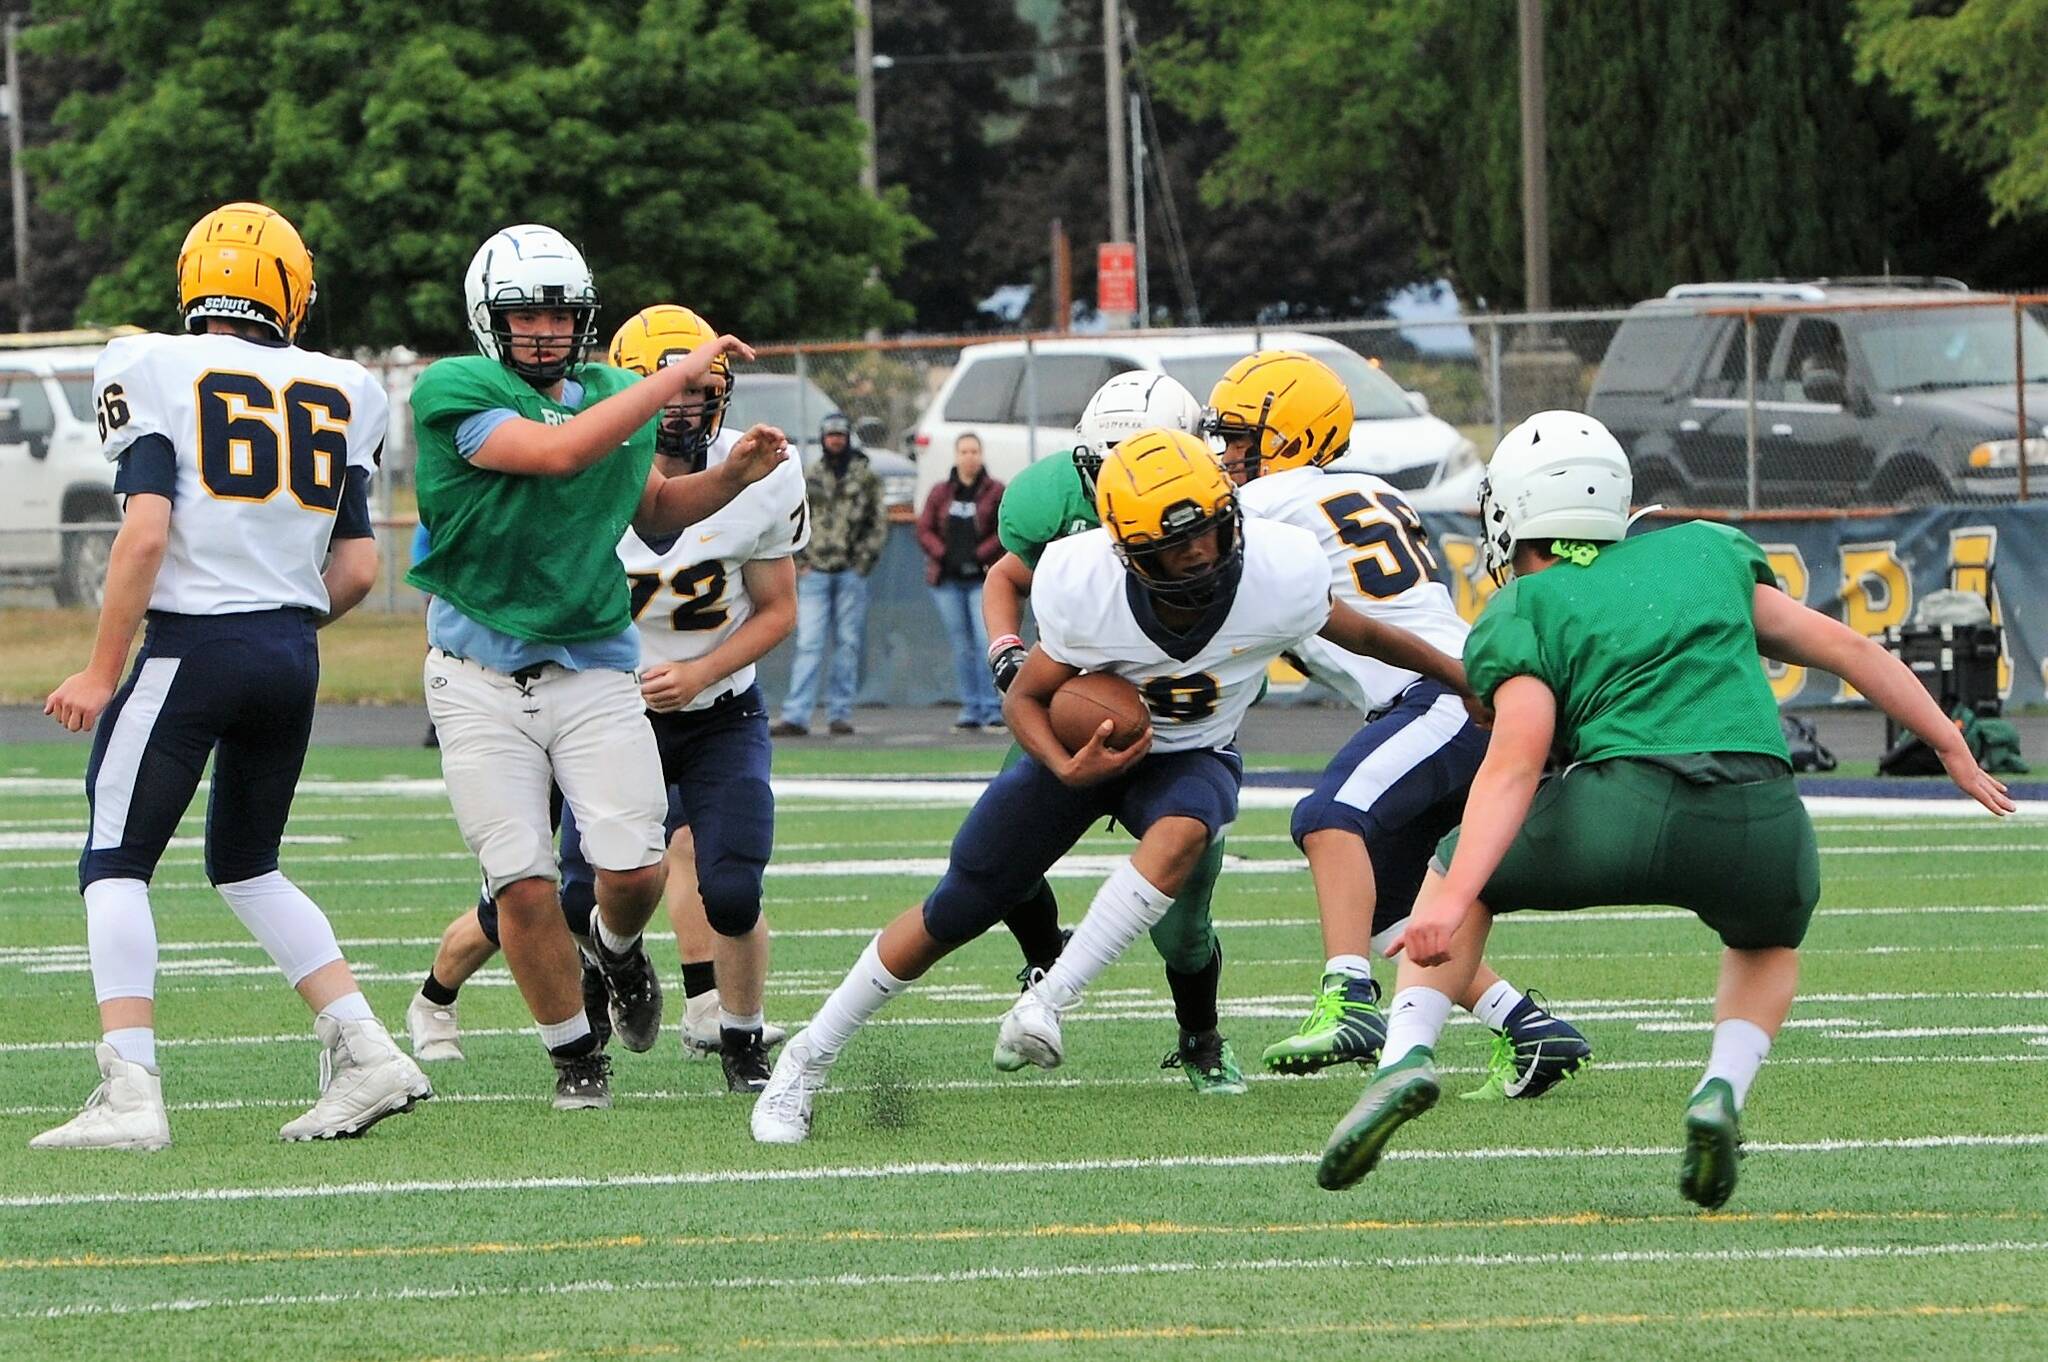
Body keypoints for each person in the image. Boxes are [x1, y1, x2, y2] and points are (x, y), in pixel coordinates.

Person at [1315, 410, 2015, 1206]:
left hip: (1626, 806)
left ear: (1510, 512)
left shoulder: (1524, 610)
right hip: (1764, 820)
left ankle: (1405, 1057)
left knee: (1450, 863)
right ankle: (1721, 1090)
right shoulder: (1706, 551)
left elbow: (1512, 767)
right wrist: (1952, 747)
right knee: (1767, 943)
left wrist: (1458, 891)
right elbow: (1851, 650)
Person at [752, 428, 1481, 1144]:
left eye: (1208, 532)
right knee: (957, 907)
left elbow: (1365, 634)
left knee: (1190, 825)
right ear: (1127, 551)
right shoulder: (1083, 581)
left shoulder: (1279, 567)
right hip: (1084, 749)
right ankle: (805, 1060)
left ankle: (1050, 1001)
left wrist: (1462, 678)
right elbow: (1025, 699)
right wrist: (1067, 766)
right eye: (1173, 545)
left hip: (1191, 754)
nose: (1199, 554)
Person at [34, 202, 429, 1150]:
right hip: (291, 650)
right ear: (291, 293)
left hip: (192, 647)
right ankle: (369, 1051)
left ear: (191, 280)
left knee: (115, 861)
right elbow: (362, 568)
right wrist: (274, 626)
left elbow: (145, 529)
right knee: (247, 863)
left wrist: (100, 668)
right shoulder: (345, 387)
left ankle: (132, 1095)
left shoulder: (151, 363)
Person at [407, 224, 786, 1109]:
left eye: (559, 313)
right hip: (475, 674)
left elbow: (652, 511)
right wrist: (670, 379)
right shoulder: (455, 387)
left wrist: (731, 481)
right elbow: (557, 451)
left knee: (632, 873)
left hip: (591, 665)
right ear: (486, 318)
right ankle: (576, 1058)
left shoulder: (613, 392)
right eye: (524, 314)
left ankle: (616, 954)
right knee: (525, 885)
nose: (543, 330)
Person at [1209, 351, 1590, 1099]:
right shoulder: (1366, 488)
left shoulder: (1261, 508)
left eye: (1236, 437)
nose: (1225, 455)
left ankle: (1349, 997)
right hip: (1462, 693)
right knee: (1389, 907)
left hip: (1445, 696)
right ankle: (1528, 1028)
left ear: (1287, 436)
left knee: (1328, 817)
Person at [980, 372, 1248, 1090]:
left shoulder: (1222, 515)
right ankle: (1045, 955)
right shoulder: (1057, 505)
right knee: (996, 861)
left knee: (1183, 925)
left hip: (1185, 729)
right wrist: (1008, 652)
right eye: (1107, 463)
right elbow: (1005, 576)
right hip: (1078, 705)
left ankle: (1202, 1037)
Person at [772, 412, 886, 738]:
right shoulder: (810, 475)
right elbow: (791, 516)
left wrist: (862, 563)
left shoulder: (865, 476)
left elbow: (878, 522)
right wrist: (801, 560)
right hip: (815, 571)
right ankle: (796, 714)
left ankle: (840, 713)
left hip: (850, 571)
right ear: (822, 438)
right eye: (830, 434)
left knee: (847, 644)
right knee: (809, 643)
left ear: (848, 437)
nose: (835, 439)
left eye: (840, 434)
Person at [916, 431, 1005, 731]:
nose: (970, 457)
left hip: (982, 579)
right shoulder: (941, 492)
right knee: (961, 646)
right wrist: (945, 554)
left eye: (974, 451)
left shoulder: (995, 491)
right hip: (948, 581)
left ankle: (993, 708)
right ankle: (971, 708)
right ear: (956, 456)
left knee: (985, 643)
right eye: (964, 452)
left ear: (982, 455)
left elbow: (1003, 528)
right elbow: (925, 528)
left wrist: (979, 554)